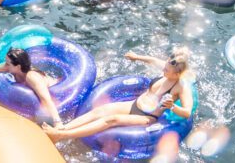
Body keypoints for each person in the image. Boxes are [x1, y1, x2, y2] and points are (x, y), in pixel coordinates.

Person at [42, 48, 194, 143]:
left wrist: (172, 106)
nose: (163, 71)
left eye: (167, 71)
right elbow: (153, 60)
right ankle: (62, 128)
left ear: (178, 74)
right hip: (134, 104)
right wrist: (136, 57)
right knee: (100, 110)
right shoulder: (169, 68)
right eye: (165, 67)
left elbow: (187, 112)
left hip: (148, 117)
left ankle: (62, 136)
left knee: (111, 120)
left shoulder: (181, 86)